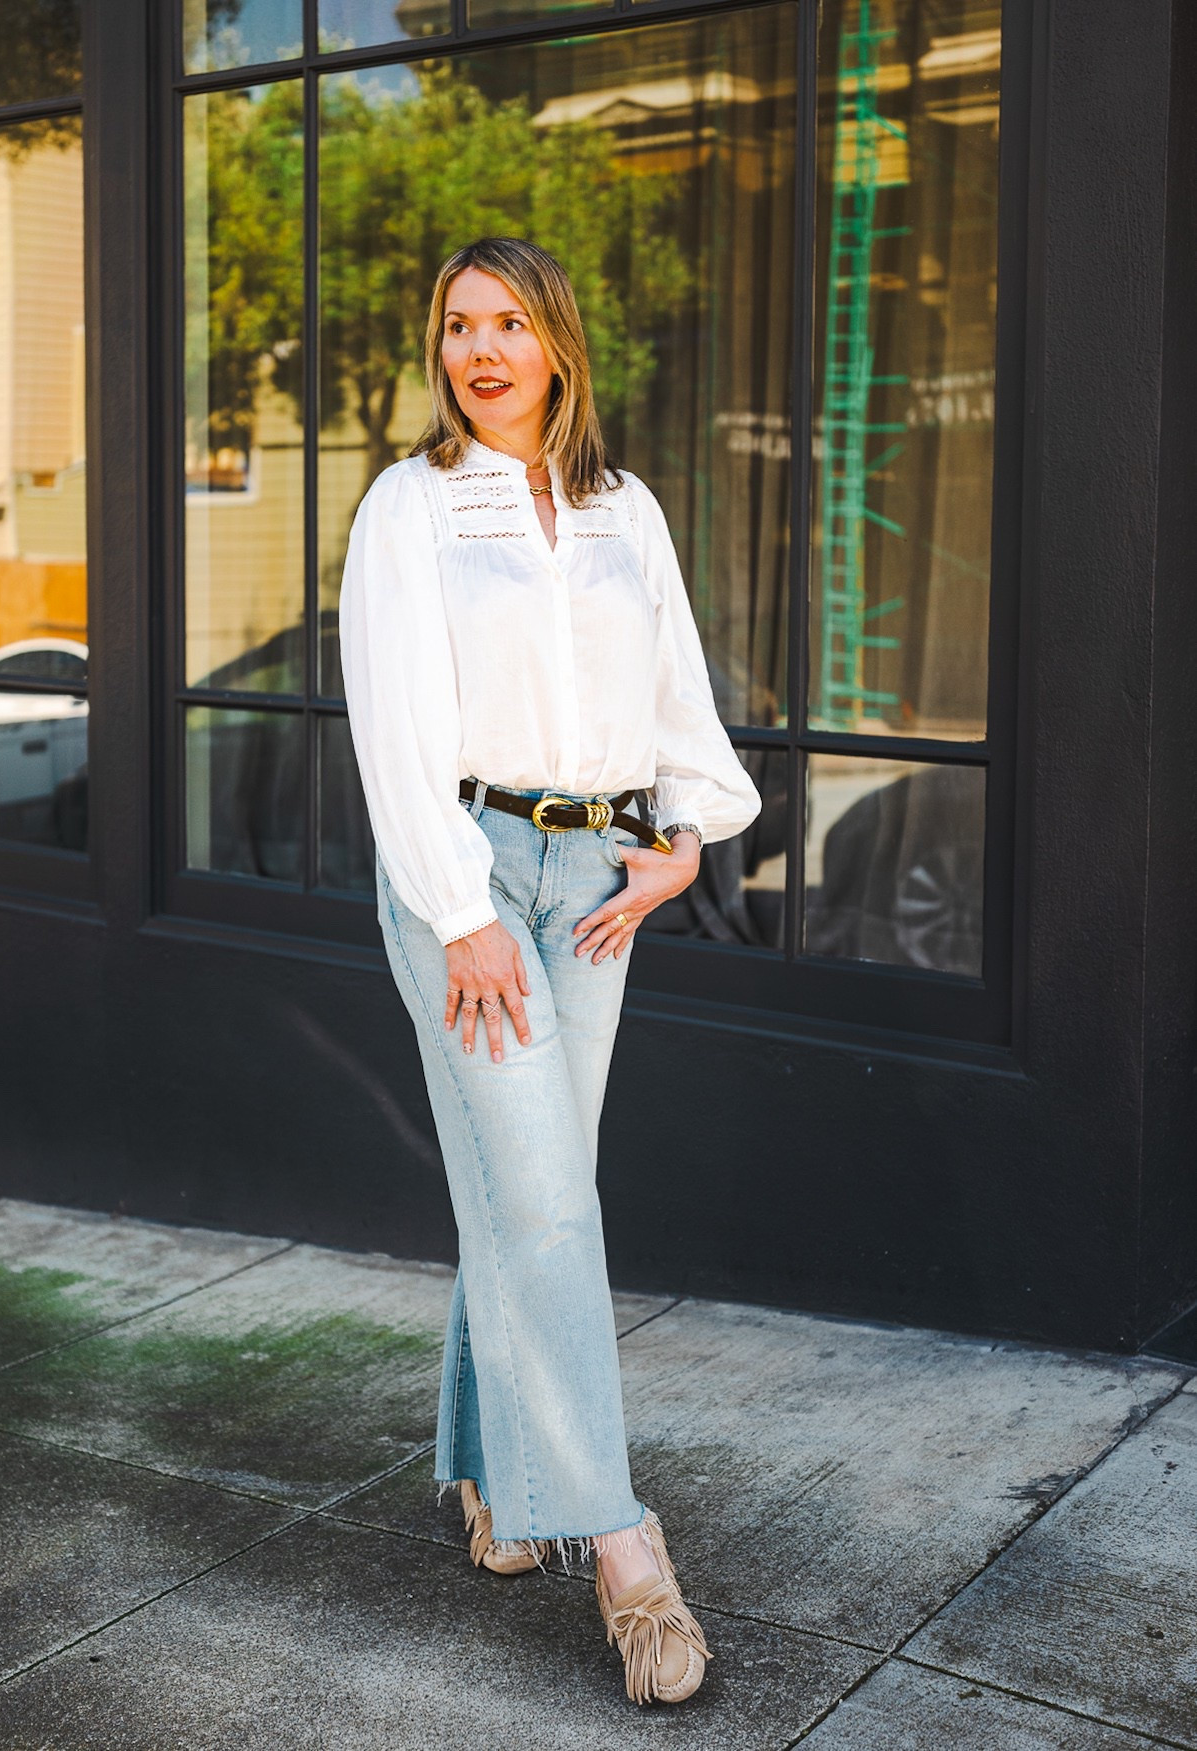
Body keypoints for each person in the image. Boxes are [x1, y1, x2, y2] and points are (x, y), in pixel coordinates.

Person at [339, 236, 761, 1707]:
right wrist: (456, 909)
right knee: (542, 1197)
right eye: (456, 324)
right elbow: (392, 720)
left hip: (594, 880)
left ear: (557, 343)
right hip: (468, 877)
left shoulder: (619, 505)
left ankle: (479, 1473)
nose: (481, 349)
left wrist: (686, 835)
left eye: (507, 320)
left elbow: (672, 686)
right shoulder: (408, 507)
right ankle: (622, 1543)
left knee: (527, 1188)